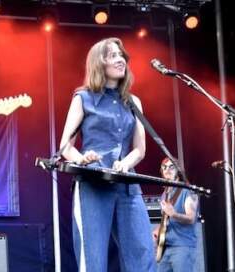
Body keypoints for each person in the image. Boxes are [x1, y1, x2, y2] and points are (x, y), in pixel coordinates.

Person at [58, 37, 156, 271]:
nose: (120, 59)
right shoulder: (83, 98)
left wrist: (125, 163)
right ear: (98, 63)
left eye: (121, 55)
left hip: (127, 185)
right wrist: (81, 159)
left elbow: (140, 150)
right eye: (113, 55)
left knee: (143, 254)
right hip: (93, 185)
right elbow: (65, 147)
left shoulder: (134, 102)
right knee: (93, 260)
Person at [153, 158, 200, 272]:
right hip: (165, 247)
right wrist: (157, 230)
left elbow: (191, 218)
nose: (167, 169)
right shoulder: (165, 194)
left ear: (178, 170)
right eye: (164, 167)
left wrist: (174, 214)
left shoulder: (187, 190)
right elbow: (167, 220)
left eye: (171, 166)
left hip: (182, 246)